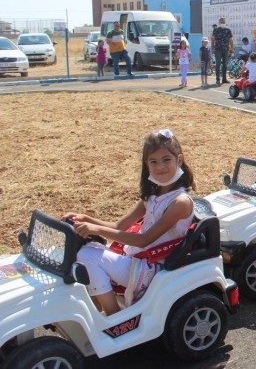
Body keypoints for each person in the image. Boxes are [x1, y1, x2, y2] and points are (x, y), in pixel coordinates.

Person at [63, 129, 195, 315]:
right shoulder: (153, 195)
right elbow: (119, 226)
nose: (160, 167)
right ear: (147, 165)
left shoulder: (180, 202)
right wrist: (86, 219)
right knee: (84, 249)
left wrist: (97, 229)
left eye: (166, 160)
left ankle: (114, 316)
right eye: (153, 162)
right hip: (137, 256)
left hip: (154, 267)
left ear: (179, 160)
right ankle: (96, 308)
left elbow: (144, 240)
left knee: (87, 256)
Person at [212, 17, 234, 85]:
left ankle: (224, 79)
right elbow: (213, 39)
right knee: (218, 64)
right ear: (219, 23)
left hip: (226, 49)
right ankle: (217, 79)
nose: (222, 23)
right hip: (218, 49)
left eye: (223, 22)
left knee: (225, 64)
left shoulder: (228, 30)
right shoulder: (216, 30)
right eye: (221, 22)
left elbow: (231, 40)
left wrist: (232, 49)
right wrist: (212, 48)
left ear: (225, 22)